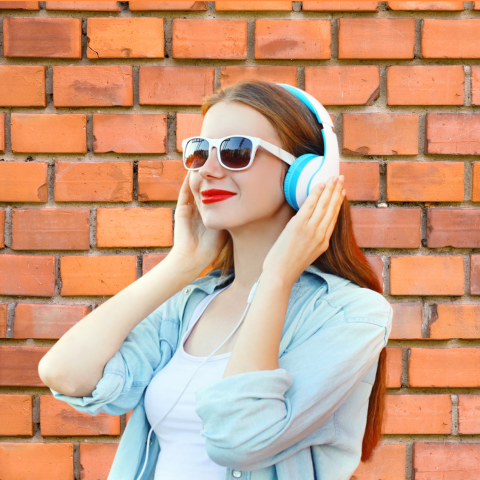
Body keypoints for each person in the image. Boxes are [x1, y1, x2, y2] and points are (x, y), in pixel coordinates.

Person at [38, 80, 393, 480]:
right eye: (200, 151)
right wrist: (181, 265)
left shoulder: (352, 316)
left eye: (236, 152)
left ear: (306, 175)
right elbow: (65, 373)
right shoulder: (191, 305)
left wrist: (276, 277)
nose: (207, 169)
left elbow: (238, 438)